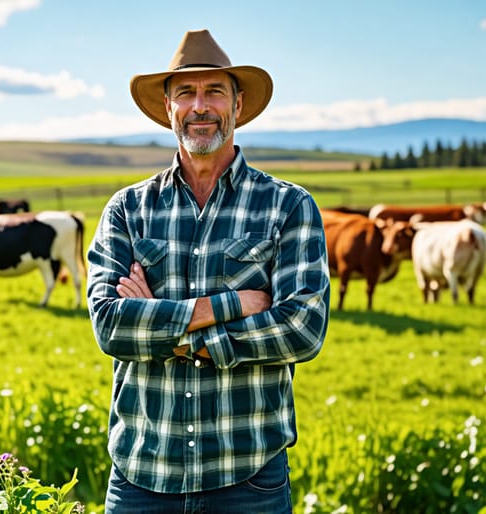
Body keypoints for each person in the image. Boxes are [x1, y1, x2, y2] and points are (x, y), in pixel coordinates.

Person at [86, 29, 330, 513]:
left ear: (238, 105)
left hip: (248, 476)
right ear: (168, 108)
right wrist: (230, 306)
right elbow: (110, 325)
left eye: (215, 91)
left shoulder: (287, 206)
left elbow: (302, 329)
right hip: (142, 474)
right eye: (186, 93)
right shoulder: (127, 210)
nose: (201, 106)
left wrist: (177, 335)